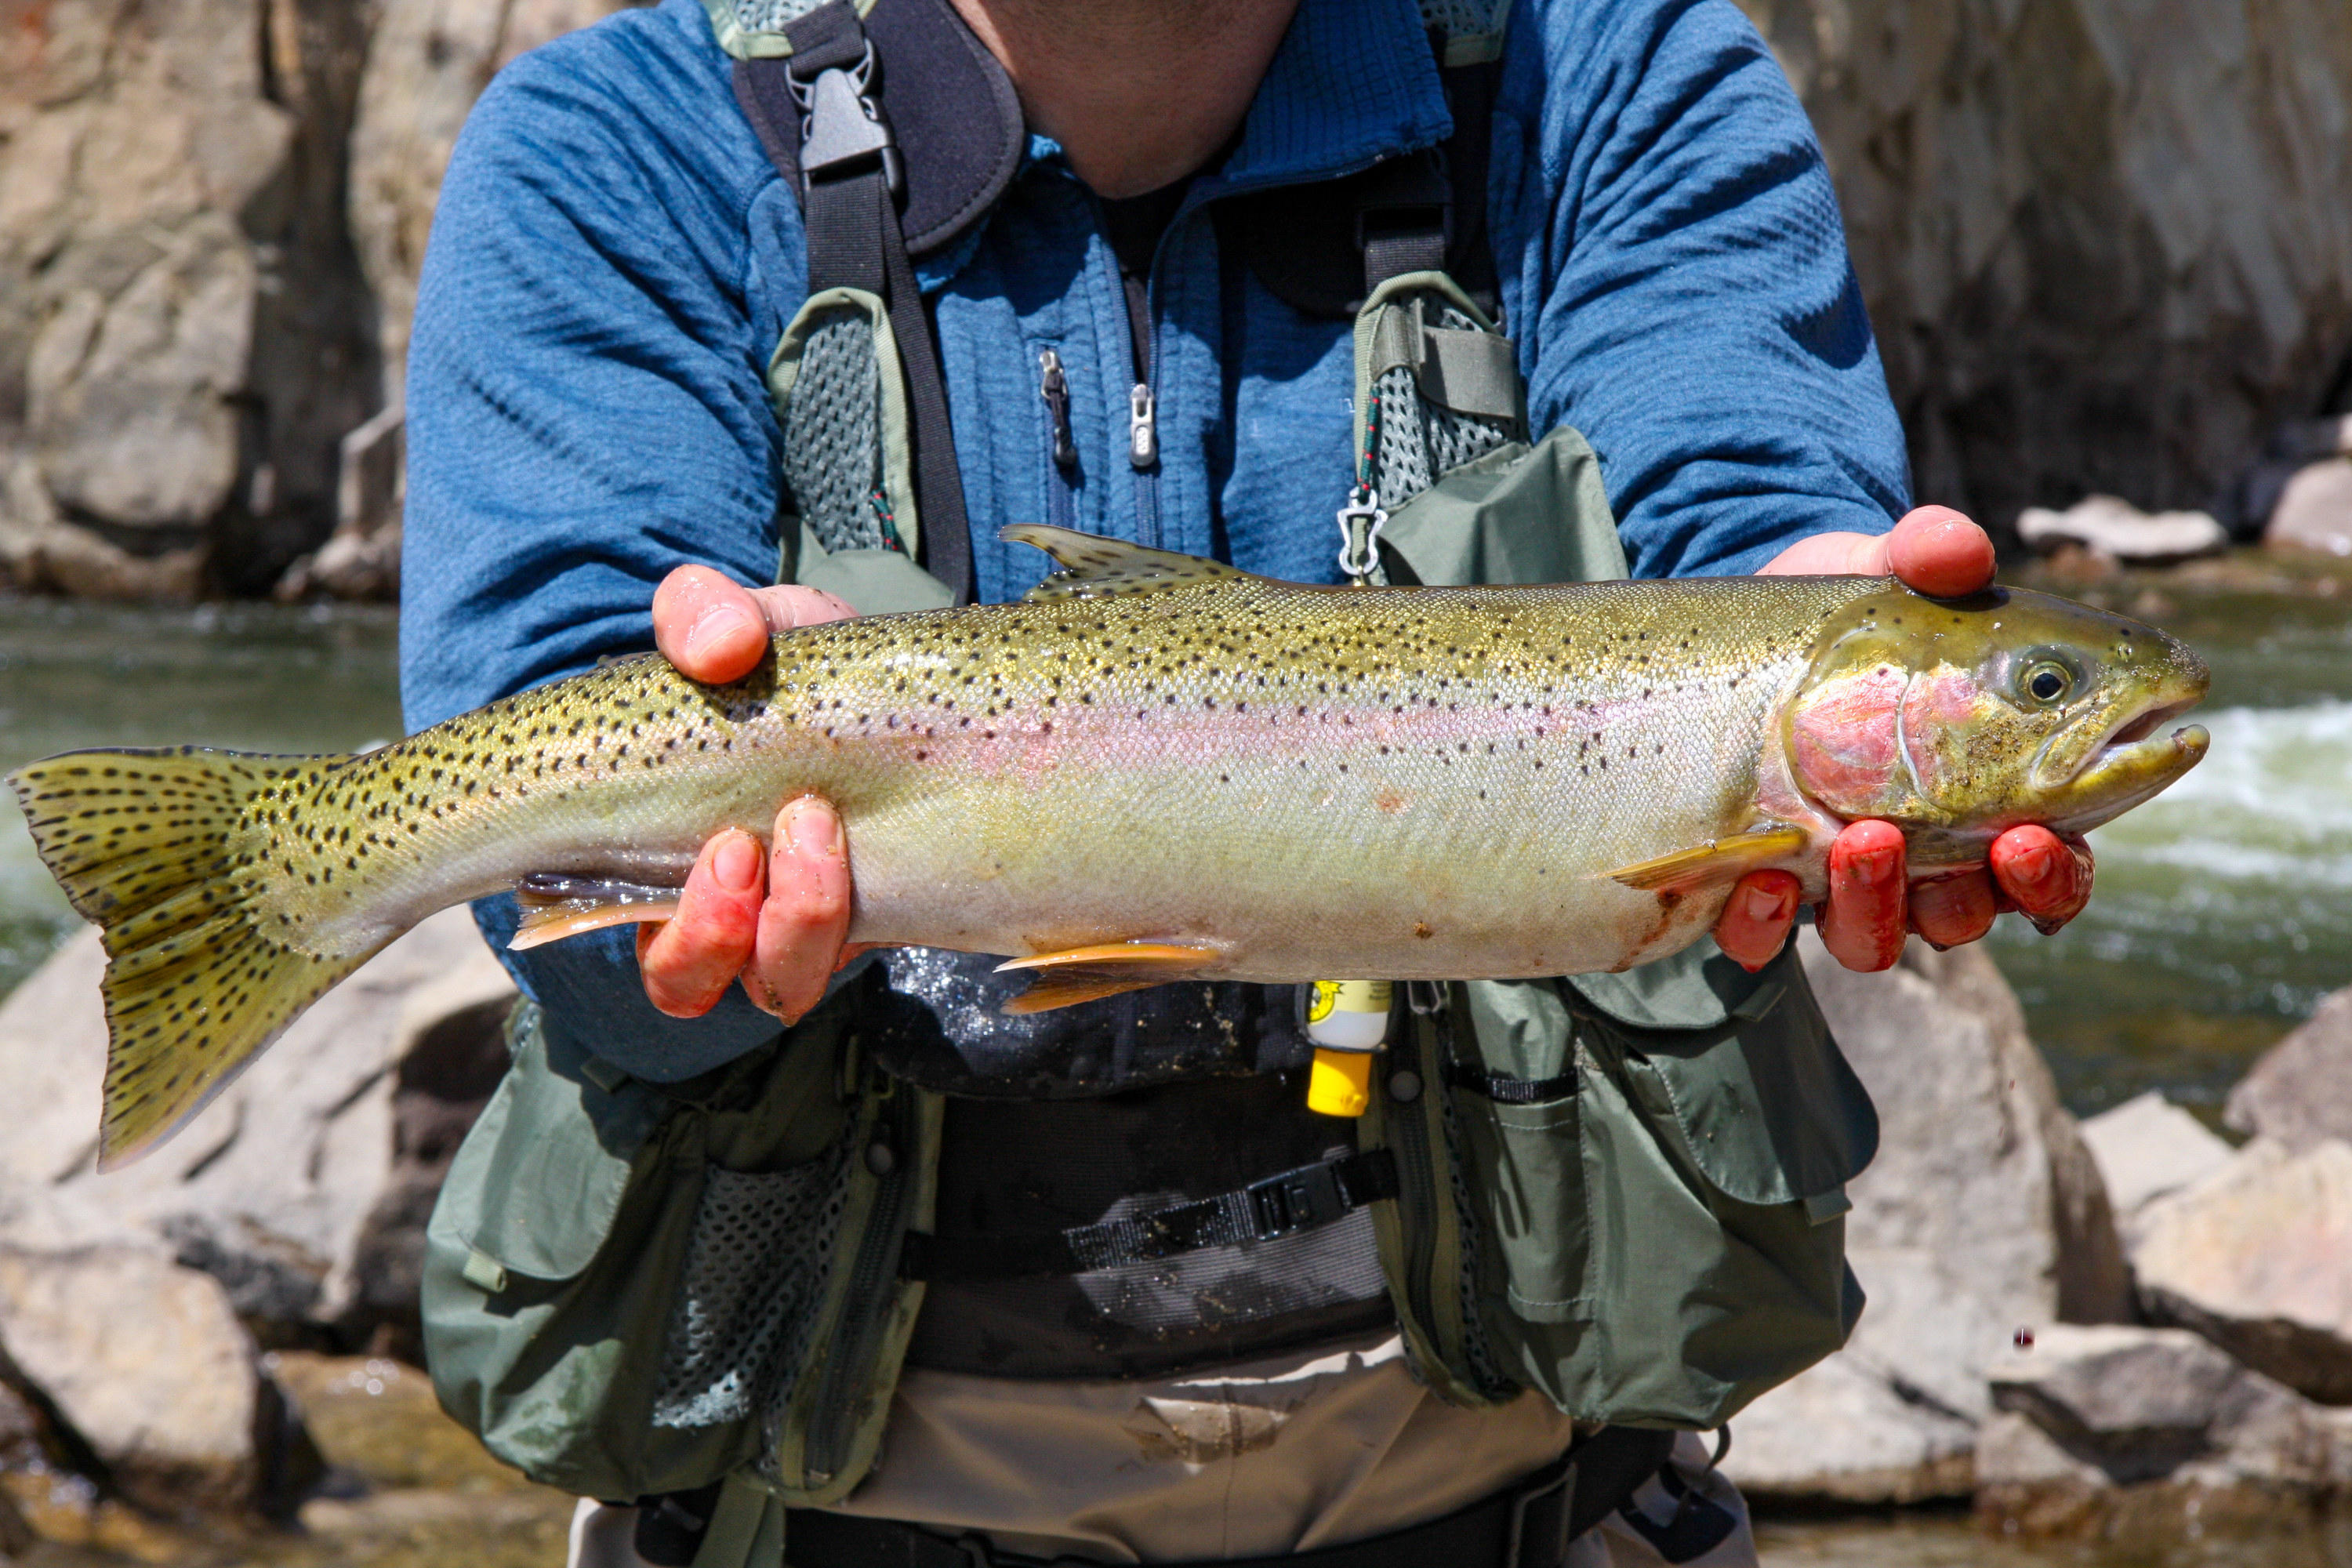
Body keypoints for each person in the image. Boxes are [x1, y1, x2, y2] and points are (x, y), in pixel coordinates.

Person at [399, 0, 2092, 1563]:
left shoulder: (1604, 73)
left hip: (1529, 1501)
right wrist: (680, 916)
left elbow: (1742, 499)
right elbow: (558, 904)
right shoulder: (619, 146)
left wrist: (1818, 585)